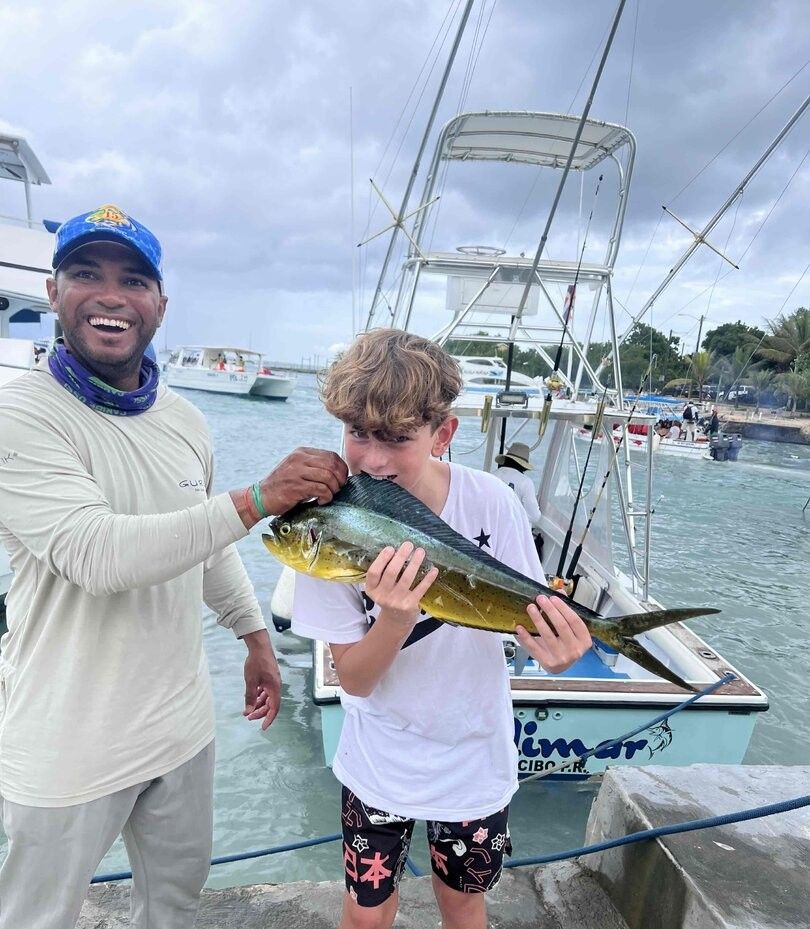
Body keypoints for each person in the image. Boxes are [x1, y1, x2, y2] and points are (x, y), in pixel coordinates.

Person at [0, 203, 348, 929]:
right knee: (37, 916)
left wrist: (254, 635)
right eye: (87, 274)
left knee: (176, 908)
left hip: (180, 727)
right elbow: (95, 553)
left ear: (159, 304)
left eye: (133, 279)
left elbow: (204, 544)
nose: (111, 294)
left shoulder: (185, 419)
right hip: (65, 736)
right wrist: (257, 498)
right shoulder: (22, 414)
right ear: (54, 290)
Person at [291, 330, 592, 929]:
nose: (373, 459)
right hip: (380, 762)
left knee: (463, 907)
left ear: (443, 434)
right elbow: (354, 679)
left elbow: (528, 623)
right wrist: (396, 617)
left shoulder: (492, 503)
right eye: (358, 434)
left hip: (473, 760)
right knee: (366, 914)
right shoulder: (325, 527)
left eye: (398, 438)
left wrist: (559, 653)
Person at [494, 441, 541, 531]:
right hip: (511, 532)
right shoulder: (526, 482)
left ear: (506, 460)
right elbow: (535, 516)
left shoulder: (491, 475)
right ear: (524, 466)